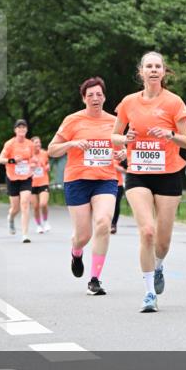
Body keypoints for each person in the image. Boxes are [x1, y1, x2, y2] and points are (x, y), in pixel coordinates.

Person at [111, 53, 186, 312]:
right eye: (149, 66)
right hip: (138, 173)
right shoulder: (128, 103)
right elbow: (114, 135)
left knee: (163, 240)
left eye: (158, 66)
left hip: (168, 175)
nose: (154, 70)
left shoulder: (174, 103)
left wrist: (170, 135)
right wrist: (125, 139)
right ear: (141, 71)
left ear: (163, 72)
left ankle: (158, 266)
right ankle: (148, 294)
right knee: (147, 231)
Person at [48, 78, 120, 295]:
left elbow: (124, 148)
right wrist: (71, 143)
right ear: (84, 98)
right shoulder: (72, 120)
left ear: (104, 97)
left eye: (99, 94)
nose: (95, 98)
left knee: (103, 222)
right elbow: (52, 149)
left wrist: (123, 153)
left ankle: (95, 279)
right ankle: (76, 251)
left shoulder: (115, 122)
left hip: (105, 179)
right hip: (77, 180)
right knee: (83, 235)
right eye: (90, 95)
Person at [0, 119, 35, 244]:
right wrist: (12, 160)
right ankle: (11, 217)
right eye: (19, 128)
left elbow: (33, 158)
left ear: (26, 130)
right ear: (15, 130)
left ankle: (25, 234)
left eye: (24, 127)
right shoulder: (10, 144)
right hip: (12, 177)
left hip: (26, 177)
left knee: (25, 203)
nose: (22, 130)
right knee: (15, 207)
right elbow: (0, 159)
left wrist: (33, 165)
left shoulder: (30, 144)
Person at [31, 136, 51, 234]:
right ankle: (39, 225)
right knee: (35, 207)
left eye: (39, 142)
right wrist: (31, 166)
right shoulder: (28, 155)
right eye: (36, 143)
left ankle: (46, 221)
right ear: (32, 144)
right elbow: (24, 167)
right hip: (31, 183)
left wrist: (48, 166)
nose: (38, 144)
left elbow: (48, 164)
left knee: (43, 204)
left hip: (43, 181)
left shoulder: (44, 153)